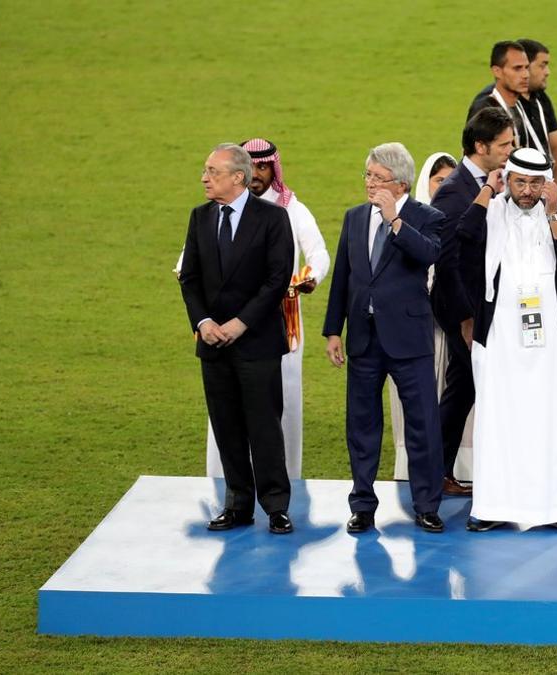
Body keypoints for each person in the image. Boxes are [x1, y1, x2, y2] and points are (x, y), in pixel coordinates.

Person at [175, 139, 329, 480]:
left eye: (264, 167)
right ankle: (224, 484)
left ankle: (284, 481)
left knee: (278, 404)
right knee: (224, 409)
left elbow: (317, 254)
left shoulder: (288, 210)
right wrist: (203, 318)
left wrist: (310, 277)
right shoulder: (207, 215)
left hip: (280, 321)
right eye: (254, 166)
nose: (258, 174)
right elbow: (188, 264)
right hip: (218, 327)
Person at [457, 148, 557, 532]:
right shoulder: (490, 212)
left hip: (550, 340)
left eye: (535, 183)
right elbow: (464, 237)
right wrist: (486, 192)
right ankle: (493, 506)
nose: (527, 191)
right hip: (500, 338)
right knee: (498, 418)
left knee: (552, 418)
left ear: (546, 184)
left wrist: (553, 211)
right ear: (507, 180)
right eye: (519, 182)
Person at [322, 143, 447, 534]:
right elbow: (344, 275)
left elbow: (428, 255)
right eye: (368, 176)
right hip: (363, 338)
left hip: (409, 340)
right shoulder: (354, 217)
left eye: (378, 178)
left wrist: (395, 221)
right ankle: (362, 505)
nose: (370, 184)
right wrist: (332, 330)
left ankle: (426, 505)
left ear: (401, 183)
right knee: (361, 425)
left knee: (422, 425)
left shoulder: (428, 217)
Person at [179, 143, 295, 534]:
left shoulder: (273, 218)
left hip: (256, 342)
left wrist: (240, 323)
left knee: (264, 426)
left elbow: (277, 278)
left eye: (212, 171)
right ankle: (238, 505)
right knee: (226, 427)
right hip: (212, 343)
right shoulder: (199, 218)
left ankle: (276, 506)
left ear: (238, 177)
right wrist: (204, 321)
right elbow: (190, 278)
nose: (204, 178)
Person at [429, 108, 515, 496]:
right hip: (462, 308)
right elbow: (445, 262)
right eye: (504, 144)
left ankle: (437, 470)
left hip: (485, 305)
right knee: (468, 387)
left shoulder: (494, 183)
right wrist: (464, 318)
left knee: (464, 388)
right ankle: (438, 471)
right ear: (480, 146)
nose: (511, 149)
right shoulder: (454, 192)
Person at [390, 151, 456, 483]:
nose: (444, 187)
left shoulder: (453, 218)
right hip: (412, 326)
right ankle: (410, 466)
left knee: (447, 394)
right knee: (415, 397)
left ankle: (451, 466)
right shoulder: (407, 219)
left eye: (449, 181)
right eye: (438, 180)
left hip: (449, 326)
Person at [469, 40, 557, 185]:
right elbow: (473, 160)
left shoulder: (523, 104)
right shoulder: (486, 109)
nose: (525, 75)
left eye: (526, 68)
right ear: (497, 71)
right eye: (517, 68)